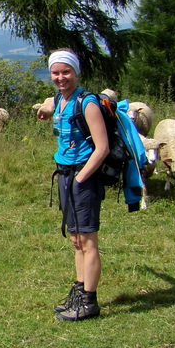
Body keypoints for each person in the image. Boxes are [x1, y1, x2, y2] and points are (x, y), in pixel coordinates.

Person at [36, 50, 109, 321]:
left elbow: (102, 148)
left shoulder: (87, 103)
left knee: (88, 241)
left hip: (83, 177)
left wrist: (80, 178)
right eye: (55, 72)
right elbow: (50, 104)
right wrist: (45, 109)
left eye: (66, 72)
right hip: (65, 174)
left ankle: (89, 302)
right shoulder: (60, 99)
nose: (60, 77)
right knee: (76, 240)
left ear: (76, 73)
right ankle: (79, 293)